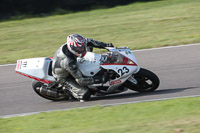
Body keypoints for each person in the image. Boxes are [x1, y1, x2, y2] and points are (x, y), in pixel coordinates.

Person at [52, 34, 114, 102]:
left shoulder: (75, 44)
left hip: (68, 65)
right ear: (71, 47)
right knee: (85, 94)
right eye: (79, 49)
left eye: (83, 47)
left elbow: (90, 41)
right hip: (64, 77)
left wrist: (106, 45)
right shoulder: (69, 62)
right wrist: (98, 79)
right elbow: (81, 81)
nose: (82, 49)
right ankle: (67, 90)